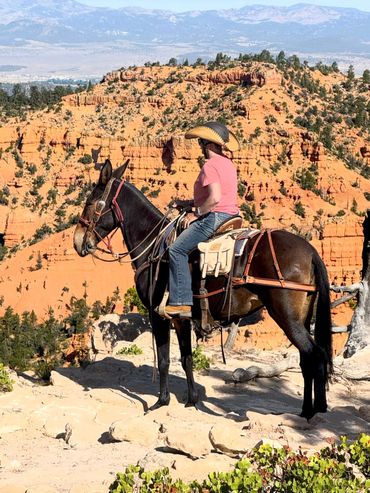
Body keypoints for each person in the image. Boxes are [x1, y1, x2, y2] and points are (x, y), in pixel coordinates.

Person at [165, 121, 240, 318]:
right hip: (232, 215)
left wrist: (195, 213)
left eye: (201, 143)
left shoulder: (210, 165)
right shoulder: (228, 163)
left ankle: (181, 302)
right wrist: (187, 203)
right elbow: (219, 195)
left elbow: (214, 198)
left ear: (207, 145)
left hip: (214, 217)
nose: (200, 147)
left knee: (176, 250)